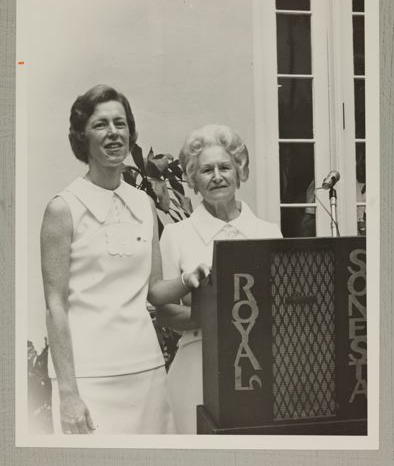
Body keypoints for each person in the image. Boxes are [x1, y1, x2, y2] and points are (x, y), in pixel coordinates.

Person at [41, 84, 209, 435]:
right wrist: (69, 392)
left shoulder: (143, 204)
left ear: (131, 133)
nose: (114, 132)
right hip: (90, 378)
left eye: (121, 123)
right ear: (81, 136)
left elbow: (154, 290)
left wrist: (189, 279)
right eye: (101, 124)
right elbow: (55, 304)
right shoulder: (64, 208)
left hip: (146, 370)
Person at [157, 124, 282, 433]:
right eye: (206, 170)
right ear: (193, 182)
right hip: (196, 366)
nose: (217, 176)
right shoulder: (176, 235)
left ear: (239, 172)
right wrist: (209, 318)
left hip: (260, 368)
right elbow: (165, 311)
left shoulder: (268, 233)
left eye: (225, 167)